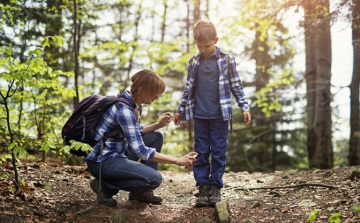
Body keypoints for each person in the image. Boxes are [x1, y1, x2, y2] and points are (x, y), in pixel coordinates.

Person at [86, 69, 197, 206]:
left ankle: (140, 192)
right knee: (154, 179)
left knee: (156, 136)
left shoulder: (134, 104)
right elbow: (141, 151)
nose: (157, 97)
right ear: (141, 89)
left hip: (119, 153)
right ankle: (104, 187)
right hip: (103, 161)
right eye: (154, 93)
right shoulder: (124, 109)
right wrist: (176, 161)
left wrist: (158, 125)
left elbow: (135, 132)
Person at [173, 19, 251, 207]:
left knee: (218, 151)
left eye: (207, 45)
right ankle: (203, 186)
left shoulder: (226, 59)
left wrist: (244, 106)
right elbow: (188, 88)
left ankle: (215, 186)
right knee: (200, 151)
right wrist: (180, 109)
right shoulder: (194, 61)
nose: (203, 49)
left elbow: (236, 85)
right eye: (199, 46)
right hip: (200, 116)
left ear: (216, 40)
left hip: (220, 116)